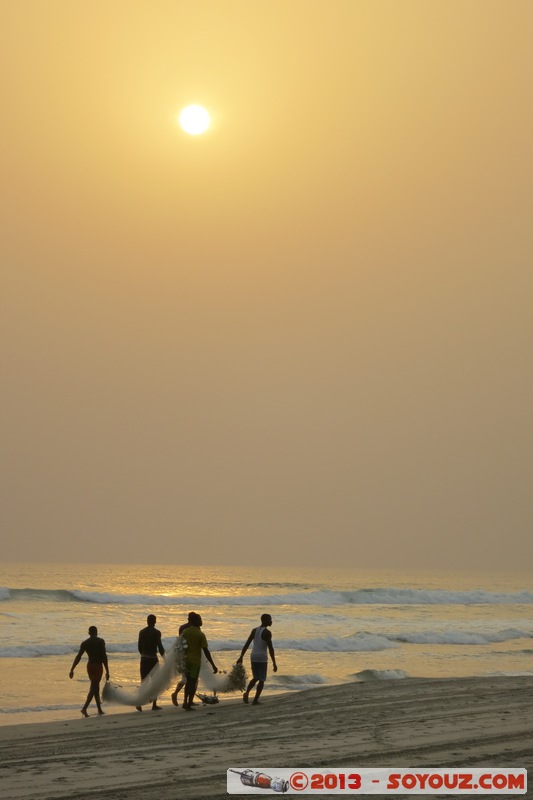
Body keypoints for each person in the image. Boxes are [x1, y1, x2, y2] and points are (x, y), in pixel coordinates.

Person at [69, 625, 110, 717]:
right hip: (97, 666)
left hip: (90, 666)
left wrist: (72, 669)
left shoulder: (85, 643)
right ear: (96, 632)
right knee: (94, 688)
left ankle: (99, 709)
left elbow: (78, 656)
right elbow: (104, 657)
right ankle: (84, 708)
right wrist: (107, 671)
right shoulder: (100, 641)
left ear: (89, 633)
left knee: (95, 687)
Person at [237, 613, 277, 705]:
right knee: (261, 680)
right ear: (265, 620)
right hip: (262, 657)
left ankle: (247, 692)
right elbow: (270, 648)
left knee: (255, 677)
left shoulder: (254, 630)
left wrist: (241, 656)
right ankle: (255, 700)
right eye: (270, 619)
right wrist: (274, 663)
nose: (271, 621)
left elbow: (247, 644)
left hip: (253, 656)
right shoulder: (267, 633)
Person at [181, 612, 218, 710]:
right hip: (195, 662)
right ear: (195, 621)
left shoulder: (185, 632)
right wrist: (213, 665)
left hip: (186, 660)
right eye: (200, 619)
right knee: (192, 683)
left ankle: (185, 701)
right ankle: (189, 704)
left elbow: (181, 647)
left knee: (188, 682)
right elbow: (206, 651)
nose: (201, 621)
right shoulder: (200, 634)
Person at [137, 613, 165, 711]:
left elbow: (139, 647)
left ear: (147, 621)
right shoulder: (156, 632)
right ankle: (154, 705)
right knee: (155, 682)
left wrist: (143, 654)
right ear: (155, 622)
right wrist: (165, 658)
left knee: (143, 681)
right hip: (153, 659)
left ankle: (139, 703)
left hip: (144, 658)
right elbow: (160, 647)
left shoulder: (142, 632)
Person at [171, 611, 195, 706]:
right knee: (191, 679)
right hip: (190, 654)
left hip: (183, 654)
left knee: (186, 678)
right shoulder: (193, 627)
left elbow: (180, 642)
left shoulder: (182, 627)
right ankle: (181, 696)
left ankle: (188, 699)